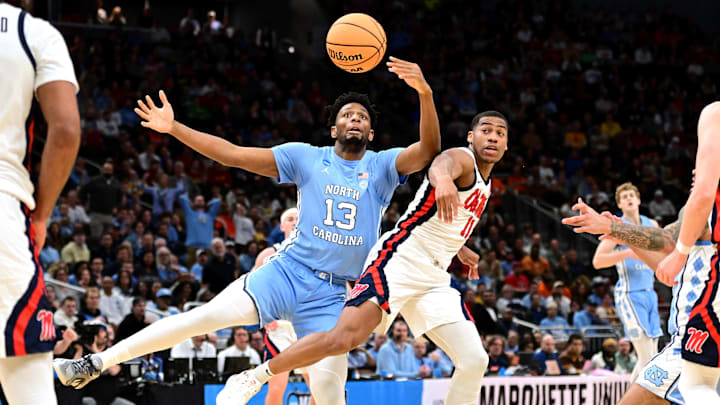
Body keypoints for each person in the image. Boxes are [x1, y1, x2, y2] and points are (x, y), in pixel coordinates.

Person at [55, 57, 441, 405]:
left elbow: (428, 150)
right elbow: (233, 154)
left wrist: (424, 92)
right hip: (288, 272)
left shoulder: (383, 166)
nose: (355, 119)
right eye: (347, 115)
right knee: (199, 319)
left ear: (371, 133)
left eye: (362, 117)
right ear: (333, 127)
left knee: (328, 395)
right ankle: (96, 361)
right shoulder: (305, 156)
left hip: (336, 294)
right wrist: (174, 128)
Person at [227, 110, 508, 405]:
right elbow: (441, 164)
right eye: (486, 130)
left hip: (434, 275)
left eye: (500, 133)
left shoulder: (485, 183)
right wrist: (444, 180)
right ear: (471, 137)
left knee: (475, 359)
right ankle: (255, 376)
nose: (493, 137)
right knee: (342, 339)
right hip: (400, 260)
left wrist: (459, 247)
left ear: (506, 145)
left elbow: (434, 221)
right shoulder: (462, 159)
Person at [0, 4, 80, 404]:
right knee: (27, 378)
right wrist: (42, 214)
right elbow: (65, 130)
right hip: (3, 206)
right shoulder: (32, 32)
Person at [562, 198, 715, 404]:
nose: (696, 171)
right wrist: (626, 238)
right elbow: (667, 271)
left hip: (697, 338)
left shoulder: (706, 208)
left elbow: (668, 240)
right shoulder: (702, 243)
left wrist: (613, 227)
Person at [590, 182, 662, 381]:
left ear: (638, 200)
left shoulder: (652, 225)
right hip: (630, 295)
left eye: (632, 195)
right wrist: (628, 252)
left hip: (650, 293)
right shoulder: (617, 228)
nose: (629, 198)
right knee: (648, 357)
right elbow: (597, 261)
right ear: (619, 205)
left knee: (650, 356)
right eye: (624, 197)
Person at [248, 207, 314, 405]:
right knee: (277, 388)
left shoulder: (317, 254)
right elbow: (251, 288)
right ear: (282, 225)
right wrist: (264, 316)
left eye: (298, 219)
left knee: (319, 388)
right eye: (290, 219)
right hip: (281, 329)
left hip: (308, 327)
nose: (295, 222)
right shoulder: (269, 253)